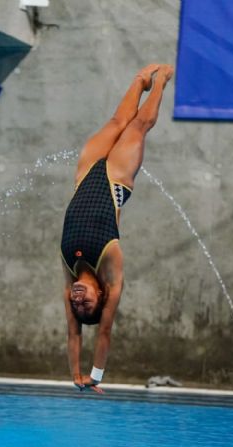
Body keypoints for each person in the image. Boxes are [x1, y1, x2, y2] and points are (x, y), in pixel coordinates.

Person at [61, 63, 174, 393]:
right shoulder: (110, 268)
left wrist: (76, 376)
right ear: (101, 296)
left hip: (86, 174)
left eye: (76, 306)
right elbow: (104, 331)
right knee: (137, 126)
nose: (79, 302)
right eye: (88, 305)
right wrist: (95, 377)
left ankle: (139, 80)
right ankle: (161, 83)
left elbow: (73, 333)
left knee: (116, 121)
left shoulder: (69, 270)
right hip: (116, 180)